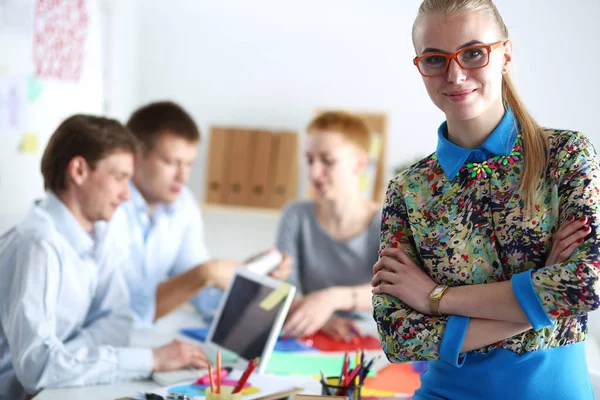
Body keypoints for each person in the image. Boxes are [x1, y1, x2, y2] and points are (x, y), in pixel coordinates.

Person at [371, 1, 600, 399]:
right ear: (420, 68)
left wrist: (435, 298)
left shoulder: (566, 156)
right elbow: (399, 336)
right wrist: (540, 293)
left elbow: (586, 285)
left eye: (474, 52)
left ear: (505, 55)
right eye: (435, 59)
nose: (455, 74)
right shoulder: (408, 189)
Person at [0, 115, 208, 400]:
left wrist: (68, 358)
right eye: (120, 178)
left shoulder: (96, 236)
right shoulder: (37, 245)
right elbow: (38, 369)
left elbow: (118, 321)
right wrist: (151, 360)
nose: (126, 195)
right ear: (79, 171)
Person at [109, 101, 289, 326]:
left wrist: (246, 277)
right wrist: (207, 273)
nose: (183, 177)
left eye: (189, 164)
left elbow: (204, 296)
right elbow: (125, 311)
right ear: (136, 156)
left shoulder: (183, 204)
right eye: (172, 162)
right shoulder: (109, 206)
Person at [277, 111, 381, 341]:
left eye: (327, 161)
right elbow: (285, 288)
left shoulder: (386, 222)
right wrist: (321, 318)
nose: (314, 172)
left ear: (359, 163)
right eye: (310, 160)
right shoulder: (295, 215)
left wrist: (331, 299)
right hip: (311, 334)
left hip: (370, 340)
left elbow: (398, 294)